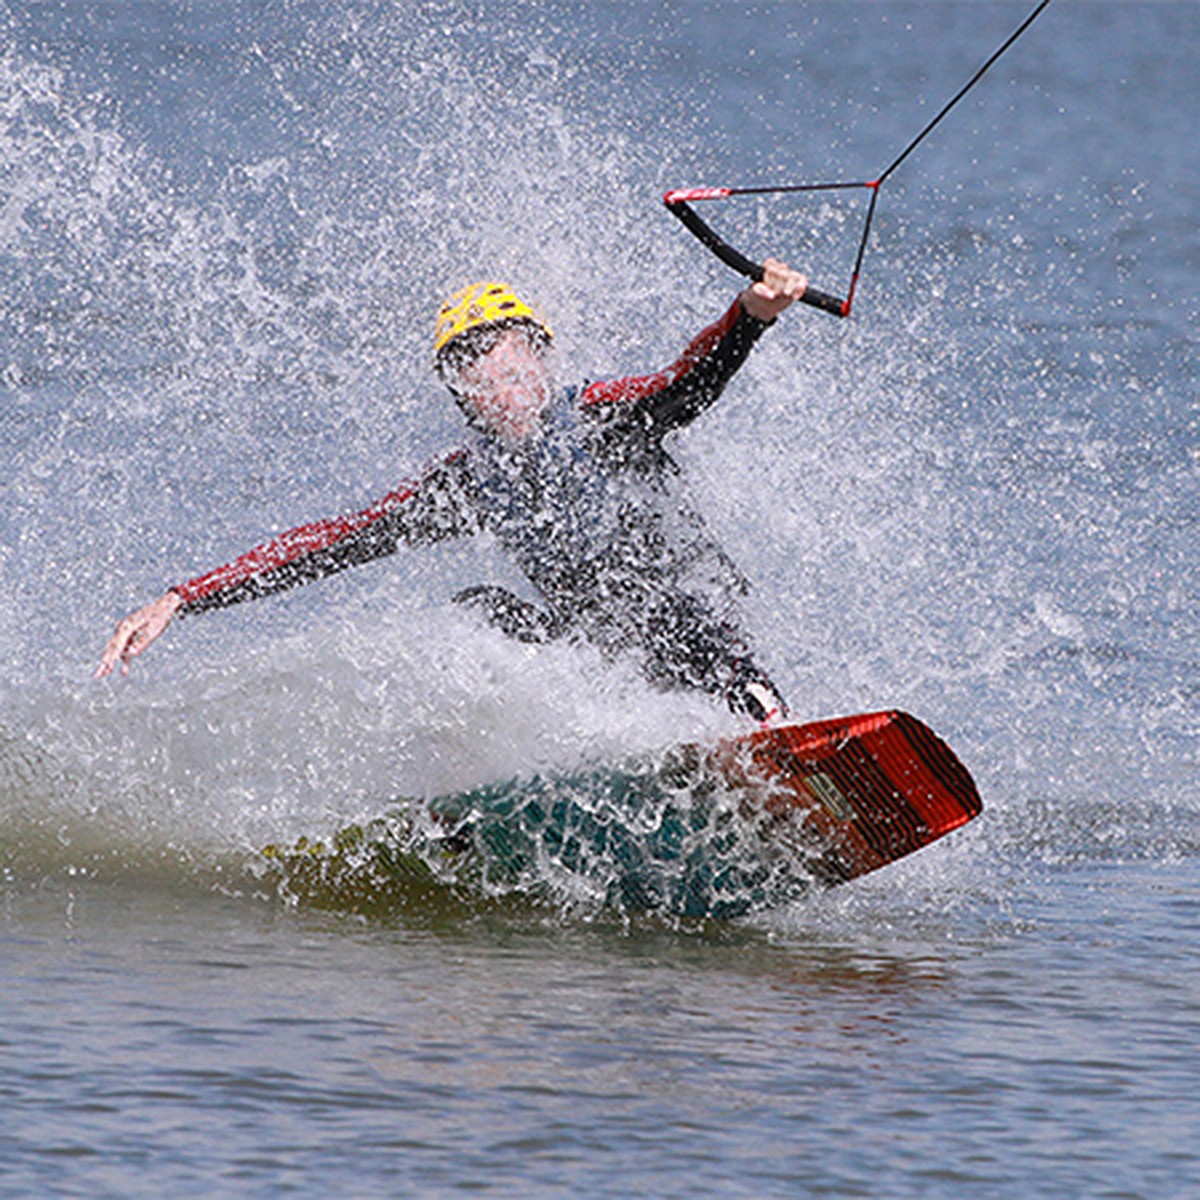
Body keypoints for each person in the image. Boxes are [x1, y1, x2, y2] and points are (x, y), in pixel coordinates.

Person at [96, 259, 809, 722]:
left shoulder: (600, 415)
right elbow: (329, 544)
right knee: (479, 613)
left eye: (512, 366)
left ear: (543, 357)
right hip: (596, 651)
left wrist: (749, 316)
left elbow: (687, 384)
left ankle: (771, 724)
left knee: (670, 618)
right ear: (460, 396)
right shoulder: (466, 484)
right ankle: (548, 768)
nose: (501, 388)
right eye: (477, 378)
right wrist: (184, 597)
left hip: (696, 625)